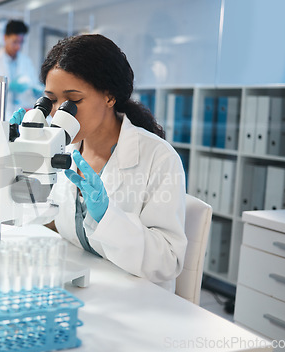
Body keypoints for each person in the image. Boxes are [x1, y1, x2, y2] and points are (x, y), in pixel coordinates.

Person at [12, 34, 187, 292]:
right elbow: (54, 222)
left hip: (137, 301)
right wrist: (20, 162)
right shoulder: (62, 147)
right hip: (85, 287)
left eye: (73, 101)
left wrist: (108, 217)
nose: (59, 112)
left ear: (109, 96)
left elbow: (168, 262)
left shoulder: (159, 158)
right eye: (51, 100)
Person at [0, 19, 42, 118]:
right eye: (15, 42)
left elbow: (33, 84)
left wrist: (37, 89)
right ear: (5, 38)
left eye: (21, 42)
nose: (18, 46)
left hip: (19, 114)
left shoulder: (26, 61)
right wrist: (8, 86)